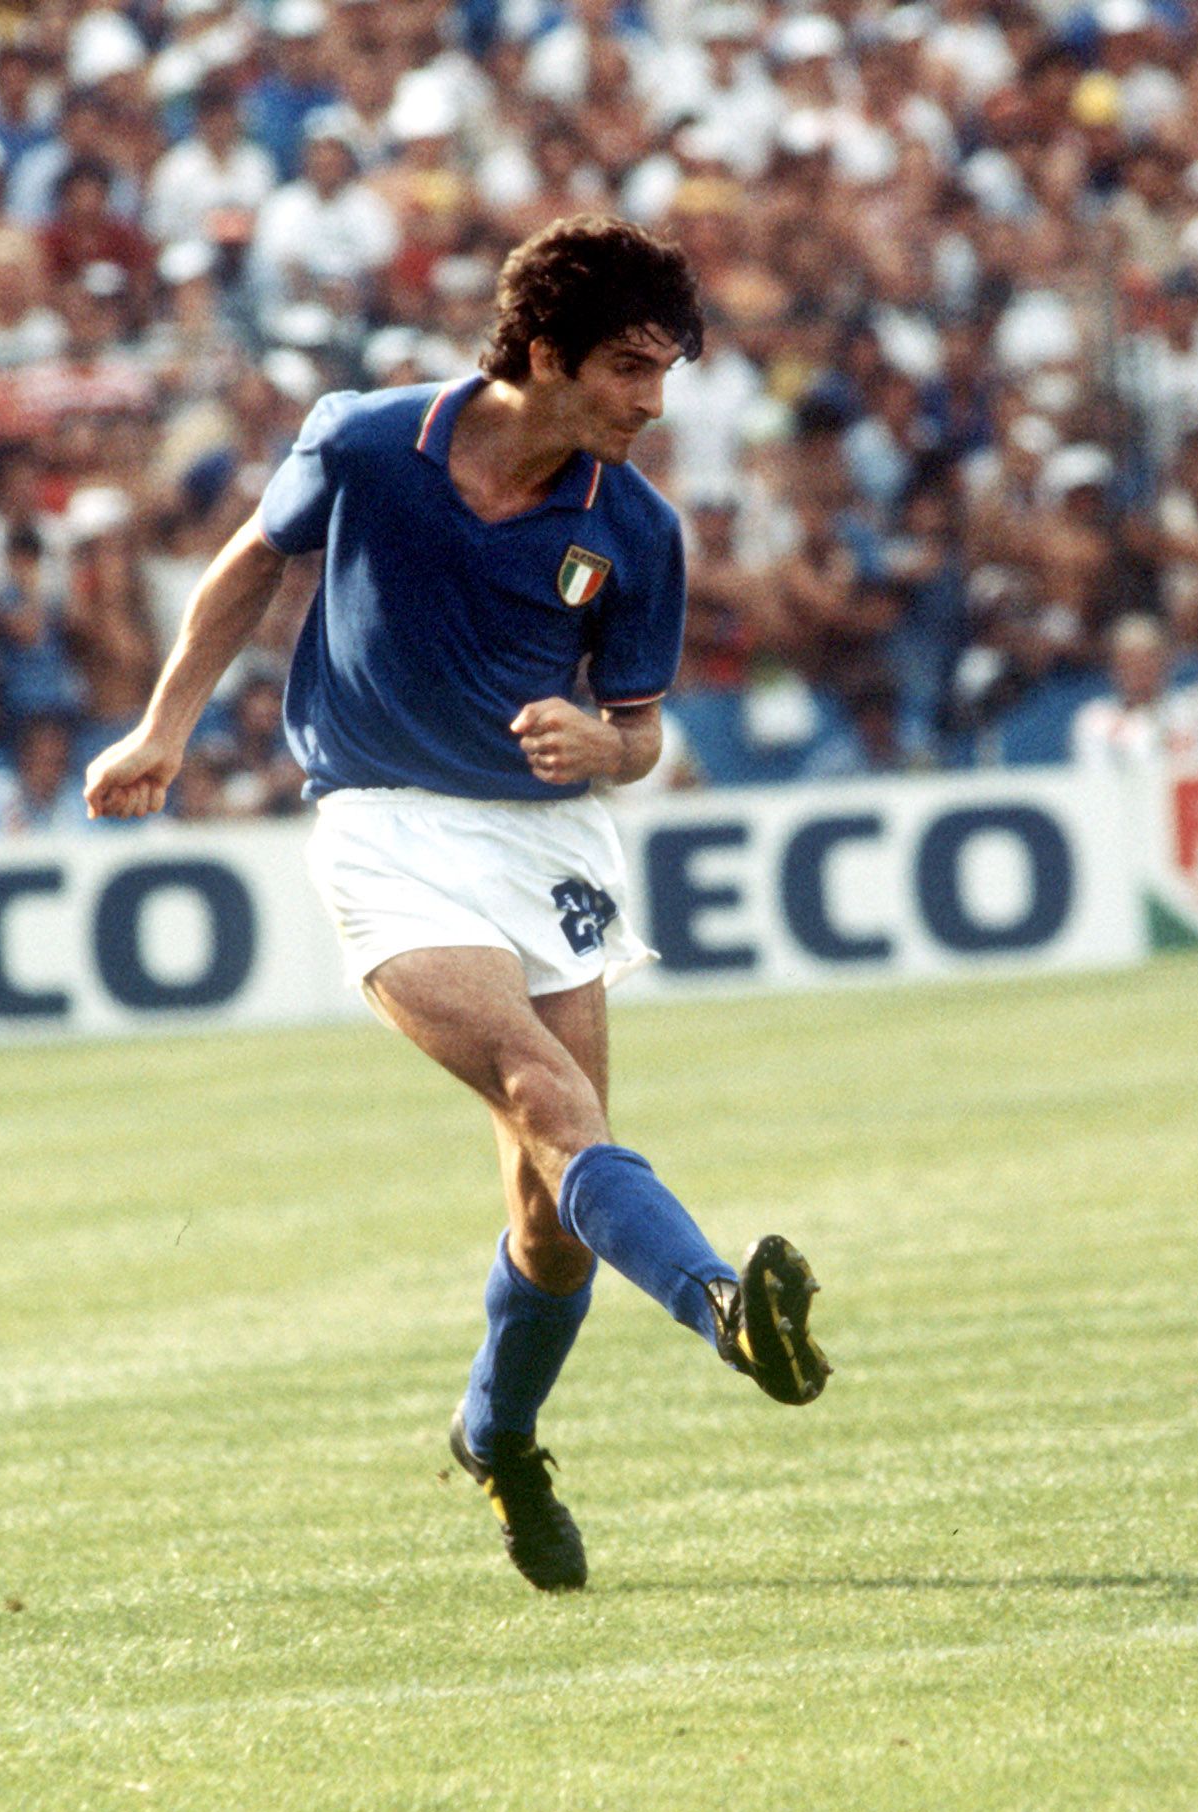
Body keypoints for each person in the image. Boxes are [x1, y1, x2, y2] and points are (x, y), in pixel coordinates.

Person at [82, 216, 829, 1593]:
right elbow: (251, 562)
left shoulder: (635, 527)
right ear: (543, 353)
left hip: (546, 846)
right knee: (551, 1093)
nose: (653, 403)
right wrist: (162, 728)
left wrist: (602, 746)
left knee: (553, 1220)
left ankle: (497, 1432)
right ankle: (723, 1306)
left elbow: (640, 730)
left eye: (664, 372)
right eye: (629, 368)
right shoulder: (371, 441)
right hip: (382, 825)